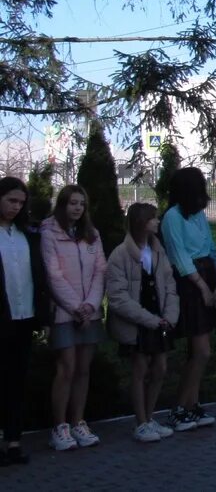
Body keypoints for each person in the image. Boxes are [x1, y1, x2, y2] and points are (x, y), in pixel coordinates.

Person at [41, 184, 107, 451]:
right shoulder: (49, 232)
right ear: (62, 204)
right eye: (72, 203)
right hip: (63, 312)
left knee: (83, 369)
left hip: (89, 312)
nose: (77, 208)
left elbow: (100, 271)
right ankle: (59, 426)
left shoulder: (91, 234)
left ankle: (78, 421)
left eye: (81, 203)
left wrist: (90, 305)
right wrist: (74, 306)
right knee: (66, 368)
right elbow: (53, 274)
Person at [107, 203, 179, 444]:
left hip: (160, 318)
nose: (157, 222)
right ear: (141, 222)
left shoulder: (158, 251)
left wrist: (169, 316)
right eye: (153, 219)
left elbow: (170, 285)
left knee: (160, 367)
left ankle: (150, 416)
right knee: (140, 369)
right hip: (138, 320)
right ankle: (140, 421)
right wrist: (149, 320)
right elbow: (118, 298)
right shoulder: (120, 254)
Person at [160, 166, 216, 431]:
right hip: (189, 283)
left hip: (207, 275)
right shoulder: (172, 217)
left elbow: (211, 247)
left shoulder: (197, 215)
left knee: (201, 351)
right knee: (201, 351)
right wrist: (202, 287)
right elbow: (179, 256)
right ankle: (179, 407)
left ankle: (192, 405)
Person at [0, 176, 51, 467]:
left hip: (23, 316)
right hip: (2, 318)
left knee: (16, 381)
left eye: (20, 202)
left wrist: (42, 317)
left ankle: (14, 440)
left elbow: (38, 277)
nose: (15, 207)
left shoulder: (26, 235)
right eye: (10, 200)